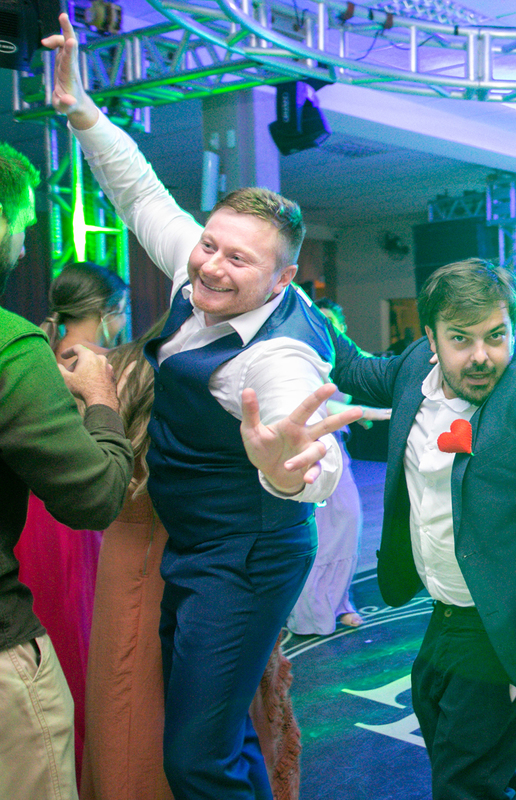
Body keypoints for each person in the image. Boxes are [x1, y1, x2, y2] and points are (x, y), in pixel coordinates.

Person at [46, 15, 359, 798]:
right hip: (196, 543)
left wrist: (287, 468)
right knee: (220, 735)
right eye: (209, 244)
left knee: (194, 758)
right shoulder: (203, 276)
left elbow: (314, 462)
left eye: (237, 259)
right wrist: (81, 108)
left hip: (245, 560)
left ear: (281, 280)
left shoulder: (277, 355)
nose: (211, 266)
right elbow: (139, 192)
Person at [319, 258, 516, 799]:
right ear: (431, 339)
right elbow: (349, 367)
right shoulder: (412, 368)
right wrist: (277, 292)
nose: (481, 355)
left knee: (463, 779)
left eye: (496, 336)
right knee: (453, 730)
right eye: (461, 339)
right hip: (447, 609)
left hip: (507, 614)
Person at [82, 321, 307, 800]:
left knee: (144, 715)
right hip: (198, 557)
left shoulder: (116, 371)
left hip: (149, 560)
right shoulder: (213, 372)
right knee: (206, 729)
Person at [0, 141, 134, 799]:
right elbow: (96, 495)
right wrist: (103, 403)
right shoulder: (18, 349)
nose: (24, 245)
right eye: (21, 227)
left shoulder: (35, 351)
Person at [13, 261, 130, 777]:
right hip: (75, 512)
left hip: (32, 511)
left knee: (50, 619)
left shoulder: (39, 352)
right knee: (80, 626)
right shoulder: (100, 365)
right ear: (108, 313)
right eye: (123, 311)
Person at [287, 298, 390, 635]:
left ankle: (342, 602)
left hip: (337, 454)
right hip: (306, 456)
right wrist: (368, 413)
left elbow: (359, 388)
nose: (329, 331)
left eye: (334, 325)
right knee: (317, 537)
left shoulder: (341, 365)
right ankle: (310, 612)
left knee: (347, 524)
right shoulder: (295, 363)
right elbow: (323, 407)